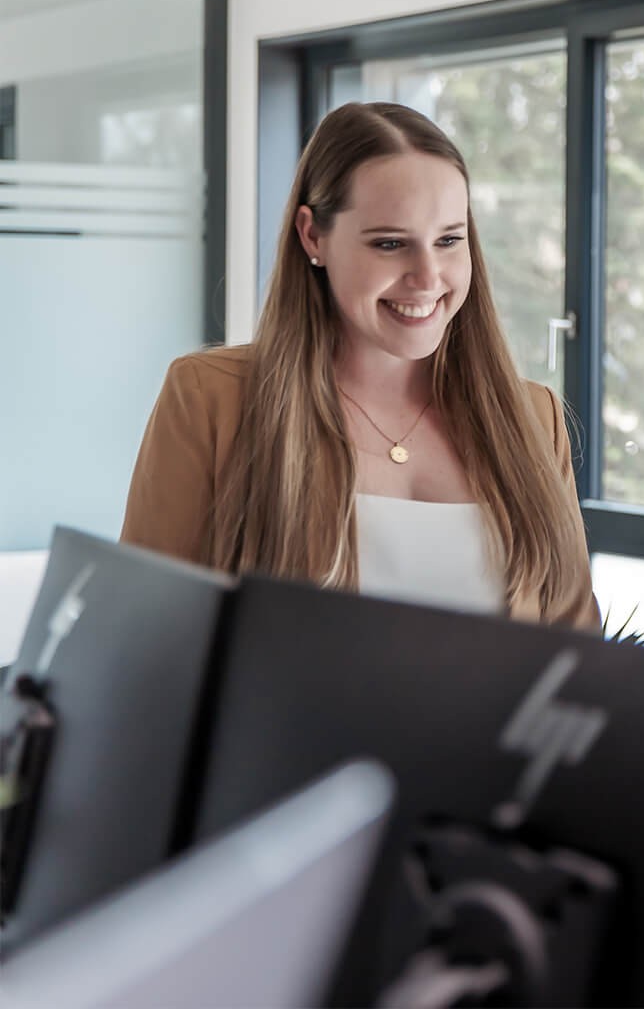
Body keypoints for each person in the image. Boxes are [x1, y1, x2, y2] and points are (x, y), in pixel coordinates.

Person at [121, 102, 598, 629]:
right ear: (313, 237)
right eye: (390, 243)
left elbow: (575, 641)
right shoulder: (211, 399)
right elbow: (146, 630)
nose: (427, 276)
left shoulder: (534, 416)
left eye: (448, 240)